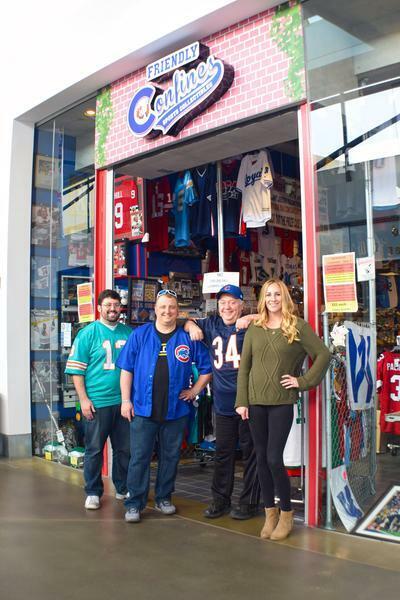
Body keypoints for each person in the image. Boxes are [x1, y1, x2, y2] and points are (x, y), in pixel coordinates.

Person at [235, 279, 330, 541]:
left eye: (278, 294)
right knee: (261, 458)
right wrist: (241, 401)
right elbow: (244, 367)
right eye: (269, 295)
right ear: (263, 298)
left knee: (275, 459)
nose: (273, 299)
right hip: (255, 402)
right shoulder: (255, 328)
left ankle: (286, 514)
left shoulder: (297, 326)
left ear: (285, 297)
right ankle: (270, 514)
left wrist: (303, 381)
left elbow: (323, 354)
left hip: (281, 401)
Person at [117, 289, 212, 523]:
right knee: (139, 457)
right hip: (142, 409)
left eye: (171, 307)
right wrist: (126, 400)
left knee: (170, 457)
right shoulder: (140, 335)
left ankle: (163, 498)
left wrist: (194, 391)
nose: (167, 311)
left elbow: (207, 369)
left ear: (178, 311)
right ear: (155, 311)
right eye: (162, 307)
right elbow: (126, 369)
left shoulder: (187, 337)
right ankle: (134, 504)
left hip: (176, 411)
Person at [185, 284, 261, 520]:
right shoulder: (211, 324)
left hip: (249, 401)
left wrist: (253, 316)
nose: (227, 307)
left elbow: (282, 316)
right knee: (223, 453)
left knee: (252, 454)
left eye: (232, 302)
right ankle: (220, 500)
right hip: (223, 402)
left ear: (241, 305)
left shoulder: (253, 325)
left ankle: (249, 503)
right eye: (223, 303)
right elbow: (177, 317)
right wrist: (189, 324)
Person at [65, 289, 132, 510]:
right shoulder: (87, 333)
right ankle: (93, 492)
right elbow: (77, 371)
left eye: (116, 305)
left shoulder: (129, 333)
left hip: (122, 401)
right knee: (94, 449)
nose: (113, 309)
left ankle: (122, 487)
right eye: (108, 305)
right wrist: (83, 399)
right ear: (99, 308)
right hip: (97, 402)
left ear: (120, 307)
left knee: (124, 449)